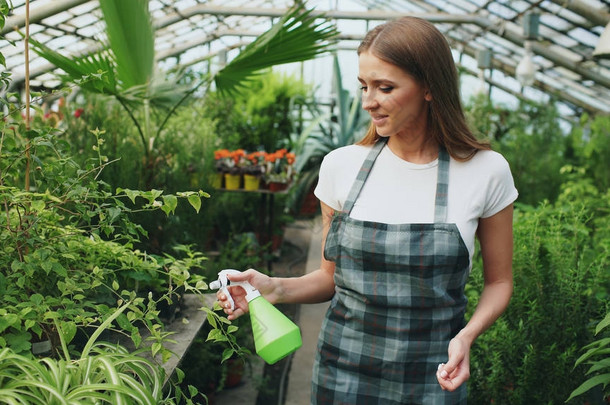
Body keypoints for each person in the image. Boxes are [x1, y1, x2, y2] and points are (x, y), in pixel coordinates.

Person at [217, 16, 517, 404]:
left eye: (385, 87)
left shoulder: (485, 171)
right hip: (342, 372)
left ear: (429, 86)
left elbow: (499, 282)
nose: (367, 101)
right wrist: (273, 287)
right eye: (364, 86)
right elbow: (330, 279)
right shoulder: (342, 167)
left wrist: (466, 336)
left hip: (435, 373)